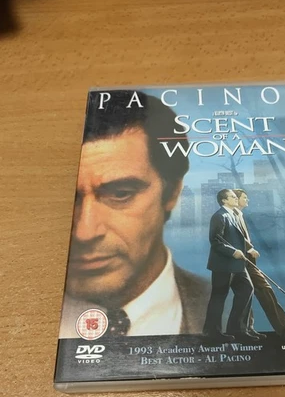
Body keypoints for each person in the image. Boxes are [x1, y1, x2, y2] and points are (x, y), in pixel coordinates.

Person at [59, 90, 210, 338]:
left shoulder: (234, 306)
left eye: (121, 194)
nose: (84, 232)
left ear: (172, 192)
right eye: (70, 198)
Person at [233, 189, 285, 338]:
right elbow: (232, 236)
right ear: (236, 199)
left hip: (247, 262)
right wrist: (249, 248)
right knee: (249, 294)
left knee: (260, 291)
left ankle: (283, 328)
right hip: (238, 262)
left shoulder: (239, 215)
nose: (247, 200)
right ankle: (249, 330)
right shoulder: (230, 216)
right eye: (244, 197)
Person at [202, 189, 259, 343]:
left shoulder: (233, 215)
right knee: (219, 297)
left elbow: (239, 238)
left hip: (236, 265)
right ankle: (212, 333)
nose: (236, 199)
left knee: (247, 290)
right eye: (232, 197)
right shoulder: (219, 216)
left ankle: (237, 330)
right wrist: (233, 252)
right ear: (224, 200)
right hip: (222, 265)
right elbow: (215, 241)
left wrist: (249, 249)